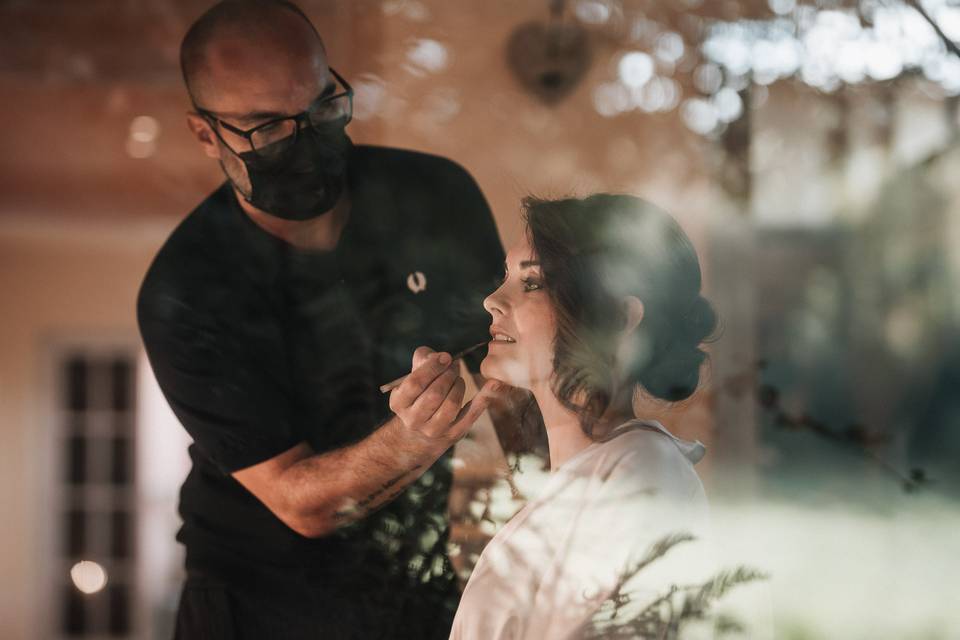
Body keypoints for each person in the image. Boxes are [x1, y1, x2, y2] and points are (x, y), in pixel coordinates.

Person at [136, 1, 505, 638]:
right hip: (261, 601)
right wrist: (417, 434)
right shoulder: (189, 289)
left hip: (425, 588)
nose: (303, 138)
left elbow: (510, 368)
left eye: (320, 107)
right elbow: (299, 505)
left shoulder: (434, 197)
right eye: (266, 127)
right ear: (206, 135)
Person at [450, 194, 719, 639]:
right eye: (504, 278)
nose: (493, 301)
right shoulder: (588, 479)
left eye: (532, 284)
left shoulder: (641, 475)